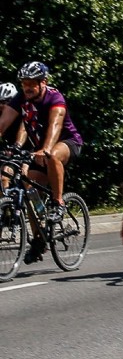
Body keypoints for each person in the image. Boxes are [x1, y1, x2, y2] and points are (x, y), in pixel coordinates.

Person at [0, 62, 84, 263]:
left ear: (43, 82)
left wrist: (45, 149)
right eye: (24, 83)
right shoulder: (21, 99)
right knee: (30, 190)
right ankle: (39, 240)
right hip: (39, 150)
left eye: (31, 83)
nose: (27, 87)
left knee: (53, 155)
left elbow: (55, 125)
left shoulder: (54, 98)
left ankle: (58, 202)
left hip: (67, 143)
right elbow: (2, 124)